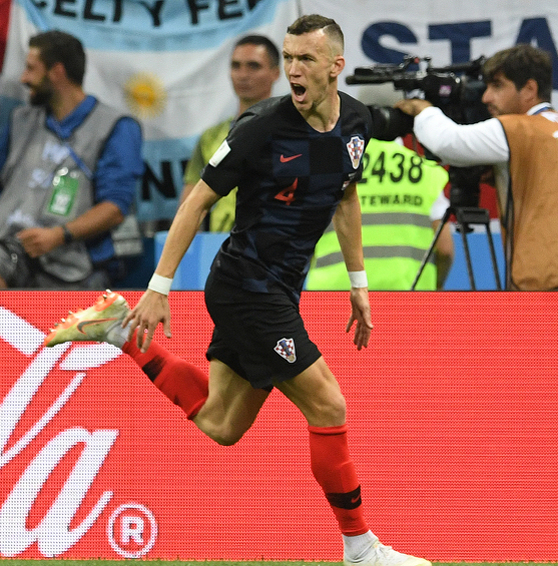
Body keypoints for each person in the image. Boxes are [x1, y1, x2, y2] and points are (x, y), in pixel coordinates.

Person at [44, 15, 431, 566]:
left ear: (335, 68)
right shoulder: (261, 127)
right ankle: (361, 549)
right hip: (246, 286)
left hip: (279, 289)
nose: (293, 70)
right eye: (289, 58)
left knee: (222, 424)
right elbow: (196, 202)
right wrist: (159, 286)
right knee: (328, 404)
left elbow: (346, 198)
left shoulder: (358, 122)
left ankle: (124, 335)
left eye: (305, 60)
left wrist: (358, 283)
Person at [396, 44, 558, 290]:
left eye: (497, 86)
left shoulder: (518, 128)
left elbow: (449, 143)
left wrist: (423, 111)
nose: (486, 97)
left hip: (545, 289)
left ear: (529, 89)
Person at [0, 30, 143, 289]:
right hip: (12, 251)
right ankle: (7, 325)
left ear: (56, 72)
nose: (24, 78)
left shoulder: (115, 127)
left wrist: (59, 235)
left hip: (75, 261)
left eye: (31, 69)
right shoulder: (19, 121)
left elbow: (114, 209)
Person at [306, 137, 454, 290]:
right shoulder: (427, 172)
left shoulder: (325, 170)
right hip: (408, 297)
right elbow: (445, 250)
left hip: (331, 296)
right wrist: (437, 286)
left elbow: (301, 237)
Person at [180, 34, 280, 232]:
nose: (243, 75)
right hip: (221, 247)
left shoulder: (294, 131)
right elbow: (189, 206)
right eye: (236, 66)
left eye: (253, 66)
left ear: (275, 73)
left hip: (278, 243)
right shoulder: (211, 138)